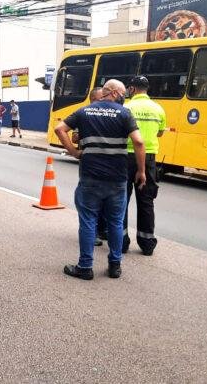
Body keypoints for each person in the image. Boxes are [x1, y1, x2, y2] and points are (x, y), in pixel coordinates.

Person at [54, 79, 146, 280]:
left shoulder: (84, 112)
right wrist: (141, 170)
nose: (124, 97)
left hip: (90, 177)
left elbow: (60, 129)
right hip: (117, 179)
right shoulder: (124, 113)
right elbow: (139, 141)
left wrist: (73, 152)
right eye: (122, 93)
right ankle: (114, 265)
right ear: (113, 92)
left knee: (88, 221)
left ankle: (85, 267)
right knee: (115, 222)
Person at [122, 76, 166, 256]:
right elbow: (161, 133)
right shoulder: (158, 109)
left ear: (132, 89)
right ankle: (147, 242)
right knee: (146, 201)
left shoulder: (127, 108)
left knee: (122, 200)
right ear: (147, 89)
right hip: (148, 159)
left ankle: (122, 241)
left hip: (126, 157)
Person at [71, 87, 104, 247]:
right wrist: (75, 152)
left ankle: (101, 230)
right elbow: (74, 136)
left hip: (106, 163)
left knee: (105, 199)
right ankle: (93, 233)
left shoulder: (108, 114)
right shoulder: (83, 114)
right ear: (92, 99)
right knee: (89, 199)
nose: (102, 102)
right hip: (88, 162)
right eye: (99, 99)